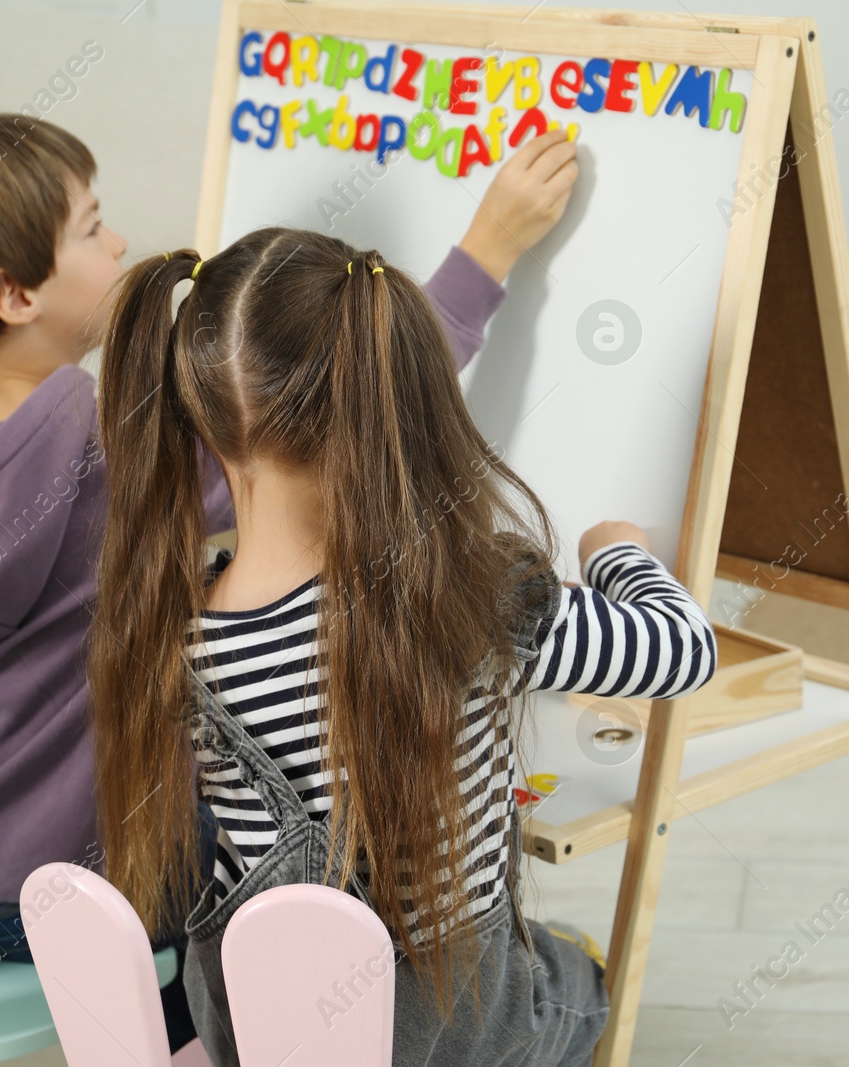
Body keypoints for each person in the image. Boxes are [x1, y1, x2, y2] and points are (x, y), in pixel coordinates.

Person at [0, 112, 578, 1065]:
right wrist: (484, 252)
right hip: (67, 899)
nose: (120, 239)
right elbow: (304, 429)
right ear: (13, 293)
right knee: (248, 816)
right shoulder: (85, 453)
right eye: (90, 226)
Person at [86, 225, 718, 1066]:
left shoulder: (174, 631)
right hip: (446, 1034)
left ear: (197, 411)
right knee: (581, 974)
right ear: (396, 406)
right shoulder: (466, 601)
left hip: (259, 1025)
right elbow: (682, 652)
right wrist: (618, 551)